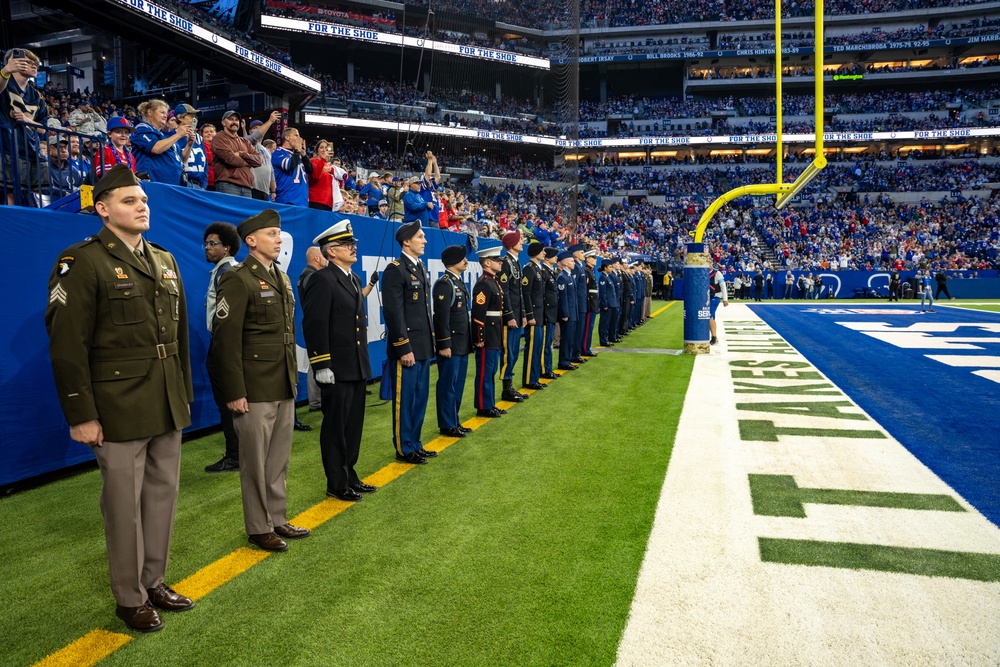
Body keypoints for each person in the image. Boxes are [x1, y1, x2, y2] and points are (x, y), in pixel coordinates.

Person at [45, 164, 195, 632]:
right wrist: (81, 414)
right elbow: (67, 344)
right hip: (116, 406)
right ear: (103, 209)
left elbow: (179, 338)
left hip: (165, 398)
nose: (141, 206)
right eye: (130, 201)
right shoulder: (81, 260)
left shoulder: (165, 260)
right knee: (123, 507)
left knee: (161, 498)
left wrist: (183, 396)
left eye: (144, 200)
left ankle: (154, 581)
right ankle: (129, 597)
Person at [211, 209, 311, 552]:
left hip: (281, 384)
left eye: (278, 233)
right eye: (271, 234)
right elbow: (226, 341)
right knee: (254, 463)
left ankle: (277, 517)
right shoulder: (238, 279)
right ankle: (258, 527)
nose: (278, 239)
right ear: (251, 241)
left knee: (278, 459)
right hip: (253, 389)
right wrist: (235, 391)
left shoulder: (281, 279)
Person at [302, 221, 379, 502]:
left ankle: (350, 474)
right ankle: (336, 482)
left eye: (353, 244)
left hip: (356, 365)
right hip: (336, 368)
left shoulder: (354, 279)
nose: (353, 247)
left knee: (353, 425)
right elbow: (314, 324)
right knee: (336, 428)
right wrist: (321, 365)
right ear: (331, 251)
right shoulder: (322, 280)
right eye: (347, 245)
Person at [381, 221, 436, 465]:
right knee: (405, 400)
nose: (424, 241)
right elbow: (394, 313)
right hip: (408, 348)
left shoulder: (420, 267)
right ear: (406, 241)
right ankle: (404, 447)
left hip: (423, 345)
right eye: (420, 237)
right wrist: (403, 346)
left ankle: (415, 442)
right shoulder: (396, 269)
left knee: (421, 397)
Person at [203, 222, 242, 473]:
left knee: (228, 403)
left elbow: (226, 318)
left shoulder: (226, 271)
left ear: (227, 247)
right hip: (226, 345)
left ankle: (235, 455)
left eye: (213, 243)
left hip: (222, 345)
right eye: (206, 243)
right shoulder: (225, 269)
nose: (207, 248)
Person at [433, 245, 474, 437]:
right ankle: (447, 423)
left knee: (457, 385)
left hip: (461, 343)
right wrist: (444, 343)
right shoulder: (445, 283)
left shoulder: (457, 282)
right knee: (448, 385)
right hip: (451, 344)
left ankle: (454, 420)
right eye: (462, 258)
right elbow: (441, 317)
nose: (466, 261)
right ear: (453, 261)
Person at [1, 48, 49, 204]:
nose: (34, 66)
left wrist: (27, 120)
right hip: (8, 146)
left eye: (35, 63)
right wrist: (6, 70)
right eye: (28, 62)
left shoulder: (36, 95)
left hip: (32, 148)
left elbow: (43, 128)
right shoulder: (5, 82)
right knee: (11, 192)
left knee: (37, 194)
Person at [471, 246, 506, 418]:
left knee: (490, 371)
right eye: (496, 260)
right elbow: (478, 314)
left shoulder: (493, 281)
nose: (500, 262)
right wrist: (479, 337)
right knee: (485, 371)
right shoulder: (484, 284)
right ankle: (483, 406)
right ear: (486, 262)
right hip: (488, 335)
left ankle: (489, 403)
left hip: (495, 333)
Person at [498, 230, 528, 402]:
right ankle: (506, 387)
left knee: (515, 352)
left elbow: (520, 294)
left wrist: (522, 313)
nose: (522, 241)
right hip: (510, 317)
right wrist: (509, 315)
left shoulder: (515, 263)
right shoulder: (506, 263)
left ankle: (509, 385)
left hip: (517, 315)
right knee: (509, 352)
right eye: (519, 239)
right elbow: (505, 293)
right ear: (511, 244)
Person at [131, 99, 189, 186]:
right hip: (155, 183)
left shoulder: (164, 136)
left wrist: (190, 144)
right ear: (150, 112)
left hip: (172, 183)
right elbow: (155, 148)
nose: (165, 116)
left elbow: (182, 159)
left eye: (166, 113)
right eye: (162, 112)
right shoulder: (142, 128)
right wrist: (179, 135)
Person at [298, 246, 328, 415]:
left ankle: (317, 400)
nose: (326, 259)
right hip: (315, 323)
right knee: (316, 361)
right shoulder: (311, 276)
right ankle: (316, 401)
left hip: (312, 322)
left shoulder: (306, 275)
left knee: (315, 360)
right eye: (323, 256)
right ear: (317, 258)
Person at [211, 110, 262, 198]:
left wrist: (242, 154)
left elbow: (258, 161)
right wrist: (248, 163)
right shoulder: (219, 138)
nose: (234, 122)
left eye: (236, 120)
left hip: (246, 186)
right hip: (228, 184)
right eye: (231, 119)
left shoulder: (245, 141)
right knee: (228, 212)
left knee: (246, 212)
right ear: (223, 122)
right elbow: (230, 159)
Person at [520, 241, 547, 390]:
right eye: (542, 251)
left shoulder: (538, 269)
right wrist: (529, 314)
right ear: (536, 252)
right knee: (531, 349)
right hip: (533, 316)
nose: (544, 253)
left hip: (539, 315)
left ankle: (535, 377)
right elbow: (526, 294)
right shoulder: (529, 269)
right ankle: (529, 379)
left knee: (537, 348)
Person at [271, 127, 311, 207]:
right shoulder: (279, 152)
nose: (299, 139)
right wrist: (297, 151)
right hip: (287, 200)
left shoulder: (298, 155)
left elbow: (310, 170)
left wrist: (304, 154)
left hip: (303, 201)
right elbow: (290, 165)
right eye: (296, 135)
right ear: (287, 137)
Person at [173, 104, 207, 190]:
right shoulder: (170, 137)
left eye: (195, 117)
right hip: (181, 184)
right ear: (180, 118)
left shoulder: (199, 138)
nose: (194, 119)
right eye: (191, 116)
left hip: (198, 186)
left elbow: (205, 164)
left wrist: (203, 185)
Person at [556, 250, 579, 371]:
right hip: (568, 314)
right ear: (564, 263)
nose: (573, 263)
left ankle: (568, 359)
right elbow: (563, 298)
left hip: (573, 312)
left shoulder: (569, 276)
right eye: (571, 261)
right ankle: (563, 361)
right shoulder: (562, 277)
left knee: (571, 338)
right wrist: (564, 314)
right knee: (566, 338)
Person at [540, 247, 560, 380]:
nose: (556, 258)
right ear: (547, 258)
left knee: (549, 343)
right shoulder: (544, 272)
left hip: (552, 312)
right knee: (545, 344)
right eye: (554, 256)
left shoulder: (550, 272)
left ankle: (548, 368)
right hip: (547, 313)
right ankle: (544, 370)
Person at [307, 139, 335, 211]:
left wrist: (333, 171)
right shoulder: (312, 161)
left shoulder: (330, 166)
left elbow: (339, 184)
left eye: (326, 148)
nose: (324, 150)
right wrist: (323, 159)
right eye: (321, 147)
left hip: (329, 203)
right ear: (317, 151)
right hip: (316, 200)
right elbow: (316, 176)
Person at [582, 250, 600, 356]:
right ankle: (585, 349)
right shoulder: (587, 271)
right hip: (589, 304)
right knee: (588, 328)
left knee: (590, 327)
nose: (595, 260)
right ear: (588, 259)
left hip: (593, 303)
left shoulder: (591, 271)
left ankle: (586, 347)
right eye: (593, 258)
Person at [709, 263, 729, 345]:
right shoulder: (703, 273)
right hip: (706, 298)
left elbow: (723, 286)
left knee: (708, 315)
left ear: (711, 263)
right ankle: (714, 337)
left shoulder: (717, 273)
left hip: (715, 297)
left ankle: (714, 337)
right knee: (711, 317)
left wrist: (725, 299)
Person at [598, 260, 615, 346]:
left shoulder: (607, 277)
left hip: (610, 303)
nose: (611, 268)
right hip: (606, 304)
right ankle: (603, 340)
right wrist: (604, 304)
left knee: (607, 322)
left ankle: (606, 339)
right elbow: (603, 292)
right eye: (610, 267)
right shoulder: (603, 277)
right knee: (604, 323)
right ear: (605, 268)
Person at [200, 124, 216, 190]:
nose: (209, 133)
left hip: (220, 181)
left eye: (211, 131)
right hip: (207, 182)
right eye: (206, 132)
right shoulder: (201, 147)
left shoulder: (221, 145)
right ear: (202, 135)